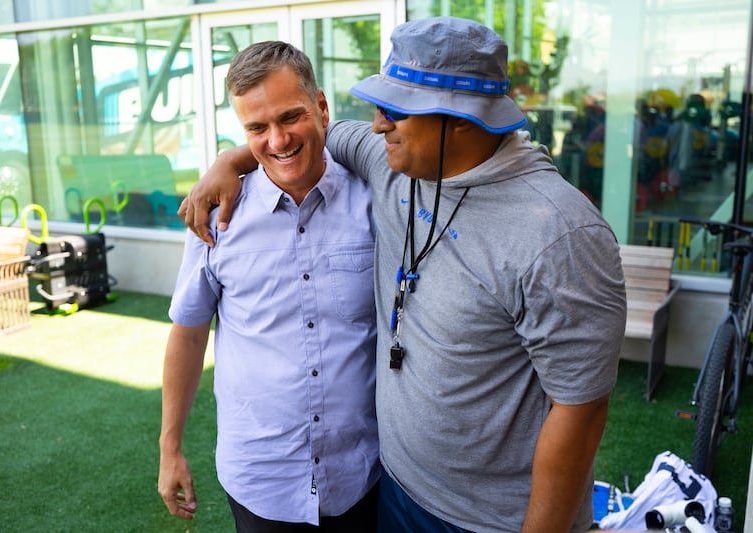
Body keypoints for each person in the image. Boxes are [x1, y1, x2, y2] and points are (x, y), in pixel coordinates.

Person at [180, 17, 627, 533]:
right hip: (392, 489)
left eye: (395, 110)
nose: (377, 125)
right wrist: (230, 161)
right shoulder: (392, 159)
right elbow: (305, 135)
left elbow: (580, 411)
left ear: (461, 119)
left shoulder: (560, 234)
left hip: (488, 521)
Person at [158, 41, 380, 532]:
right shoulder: (214, 218)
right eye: (256, 128)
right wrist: (169, 447)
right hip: (262, 479)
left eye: (290, 117)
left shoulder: (374, 201)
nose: (278, 140)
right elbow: (189, 335)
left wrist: (232, 157)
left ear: (321, 107)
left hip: (363, 474)